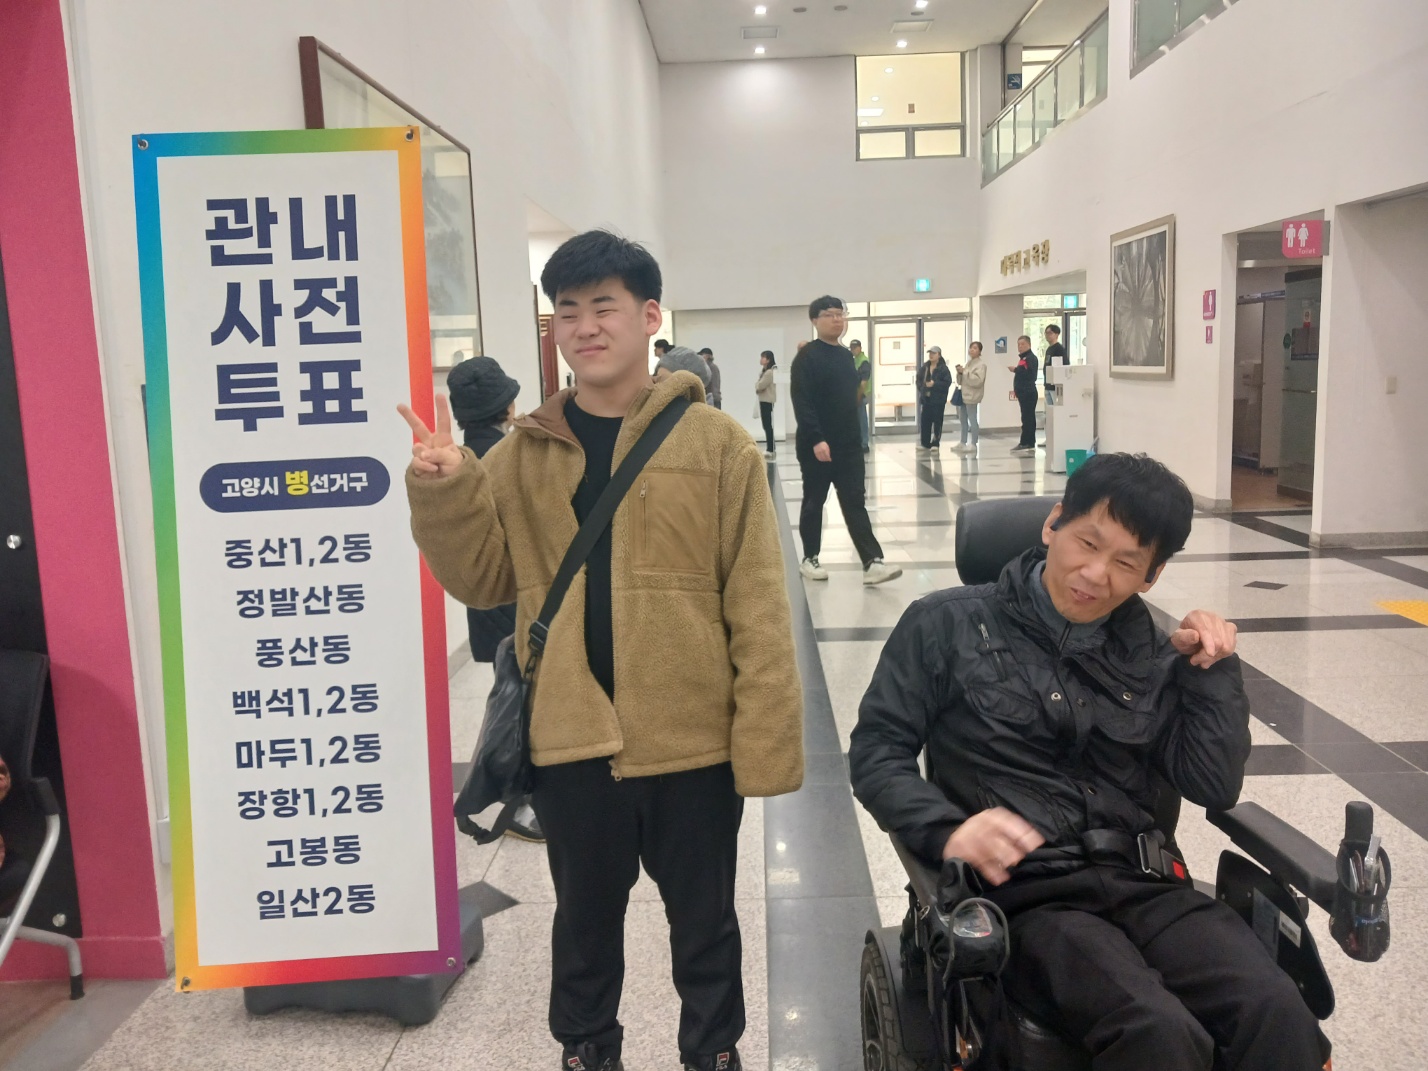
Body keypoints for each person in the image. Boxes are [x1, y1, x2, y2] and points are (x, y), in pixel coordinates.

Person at [401, 230, 804, 1071]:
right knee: (583, 922)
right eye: (567, 311)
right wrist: (447, 491)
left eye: (604, 306)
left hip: (693, 742)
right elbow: (482, 579)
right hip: (572, 739)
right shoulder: (522, 453)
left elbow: (759, 607)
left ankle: (713, 1052)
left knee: (705, 922)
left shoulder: (718, 444)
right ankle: (587, 1050)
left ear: (649, 316)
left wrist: (764, 742)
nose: (584, 326)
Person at [849, 453, 1329, 1071]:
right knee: (1154, 1030)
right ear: (1053, 524)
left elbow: (1213, 784)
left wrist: (1210, 670)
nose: (1096, 574)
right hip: (1031, 899)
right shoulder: (945, 625)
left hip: (1147, 885)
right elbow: (877, 752)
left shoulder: (1152, 653)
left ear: (1151, 576)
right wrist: (948, 831)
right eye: (1087, 543)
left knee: (1277, 1008)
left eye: (1126, 563)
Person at [445, 353, 542, 842]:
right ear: (507, 408)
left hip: (485, 607)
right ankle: (521, 803)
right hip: (520, 602)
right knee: (525, 708)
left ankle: (516, 797)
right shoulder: (510, 459)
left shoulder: (460, 461)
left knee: (509, 699)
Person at [789, 295, 902, 587]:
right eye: (830, 314)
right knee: (815, 501)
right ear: (815, 320)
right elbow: (802, 402)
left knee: (855, 502)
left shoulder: (844, 356)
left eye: (841, 314)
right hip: (817, 446)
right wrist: (816, 438)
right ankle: (810, 558)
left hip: (848, 446)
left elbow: (849, 402)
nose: (837, 319)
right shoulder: (806, 357)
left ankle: (872, 562)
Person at [917, 345, 953, 451]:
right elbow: (918, 380)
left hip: (938, 400)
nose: (931, 355)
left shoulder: (943, 369)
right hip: (926, 399)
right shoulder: (925, 367)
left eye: (934, 353)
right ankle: (925, 443)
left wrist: (935, 384)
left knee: (937, 421)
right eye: (930, 353)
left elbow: (947, 382)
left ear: (939, 355)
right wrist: (922, 388)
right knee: (925, 421)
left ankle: (935, 443)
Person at [954, 341, 987, 453]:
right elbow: (961, 380)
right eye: (971, 348)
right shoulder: (969, 363)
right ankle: (962, 442)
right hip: (964, 394)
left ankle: (973, 443)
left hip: (973, 395)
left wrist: (965, 372)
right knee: (963, 419)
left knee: (972, 418)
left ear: (979, 351)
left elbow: (978, 381)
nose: (972, 350)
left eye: (975, 348)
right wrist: (960, 373)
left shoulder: (981, 365)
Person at [1009, 334, 1040, 453]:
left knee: (1028, 419)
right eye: (1018, 345)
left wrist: (1016, 370)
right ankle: (1028, 442)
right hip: (1023, 393)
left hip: (1028, 392)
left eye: (1023, 344)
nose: (1020, 347)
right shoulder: (1023, 358)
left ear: (1029, 345)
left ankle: (1026, 442)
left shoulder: (1031, 358)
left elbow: (1031, 375)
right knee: (1027, 418)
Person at [850, 339, 872, 453]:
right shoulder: (855, 360)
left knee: (862, 420)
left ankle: (864, 444)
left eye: (855, 348)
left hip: (861, 395)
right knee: (857, 420)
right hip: (854, 394)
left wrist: (858, 395)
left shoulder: (864, 361)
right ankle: (859, 442)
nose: (853, 350)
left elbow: (864, 381)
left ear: (860, 348)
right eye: (852, 348)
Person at [755, 350, 778, 459]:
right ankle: (771, 446)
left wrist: (757, 386)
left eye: (763, 357)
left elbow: (760, 385)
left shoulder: (769, 372)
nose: (761, 359)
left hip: (767, 400)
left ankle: (770, 448)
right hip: (764, 400)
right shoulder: (764, 372)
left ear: (768, 359)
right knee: (767, 424)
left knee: (767, 425)